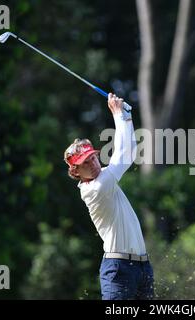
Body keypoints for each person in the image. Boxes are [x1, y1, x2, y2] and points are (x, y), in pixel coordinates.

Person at [63, 93, 154, 300]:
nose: (93, 163)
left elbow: (128, 155)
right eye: (86, 162)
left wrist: (127, 117)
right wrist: (117, 113)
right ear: (76, 171)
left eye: (93, 157)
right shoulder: (95, 189)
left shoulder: (104, 176)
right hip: (119, 269)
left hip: (142, 268)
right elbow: (122, 156)